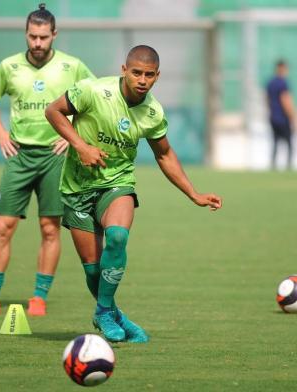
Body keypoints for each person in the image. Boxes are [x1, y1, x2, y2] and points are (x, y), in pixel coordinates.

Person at [45, 45, 222, 342]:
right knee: (93, 271)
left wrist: (194, 194)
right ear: (124, 70)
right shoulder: (92, 90)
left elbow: (164, 155)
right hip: (76, 187)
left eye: (149, 75)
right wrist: (81, 146)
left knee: (117, 237)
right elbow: (53, 111)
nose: (142, 80)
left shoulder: (152, 112)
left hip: (117, 183)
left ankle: (102, 312)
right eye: (136, 72)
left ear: (157, 77)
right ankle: (115, 314)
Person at [0, 3, 95, 317]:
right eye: (32, 37)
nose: (37, 43)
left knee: (50, 228)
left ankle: (38, 298)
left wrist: (72, 137)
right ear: (26, 34)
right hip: (19, 155)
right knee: (2, 226)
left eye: (43, 37)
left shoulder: (73, 67)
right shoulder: (8, 67)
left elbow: (93, 99)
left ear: (54, 35)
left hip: (55, 159)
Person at [267, 60, 295, 169]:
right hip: (283, 118)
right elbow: (285, 101)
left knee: (275, 142)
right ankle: (288, 165)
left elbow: (267, 99)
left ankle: (273, 165)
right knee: (288, 143)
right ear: (282, 68)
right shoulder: (283, 83)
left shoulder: (270, 82)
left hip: (273, 117)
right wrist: (292, 116)